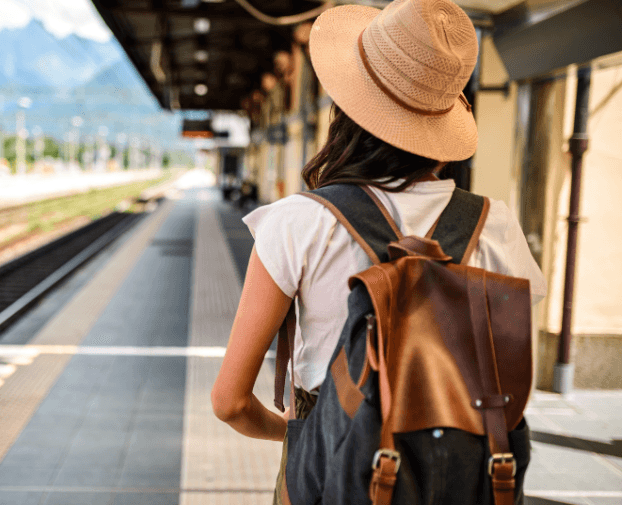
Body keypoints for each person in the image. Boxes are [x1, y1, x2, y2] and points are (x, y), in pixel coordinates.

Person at [209, 0, 548, 502]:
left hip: (326, 476)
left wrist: (304, 435)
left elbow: (231, 402)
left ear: (345, 110)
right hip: (455, 475)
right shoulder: (494, 224)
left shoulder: (298, 222)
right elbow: (515, 380)